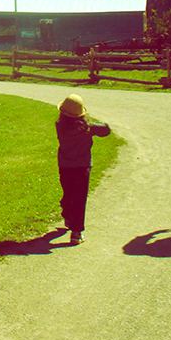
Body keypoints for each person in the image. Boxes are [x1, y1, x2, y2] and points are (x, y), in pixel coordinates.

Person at [55, 94, 111, 245]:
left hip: (65, 165)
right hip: (82, 166)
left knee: (68, 193)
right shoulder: (88, 127)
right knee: (80, 198)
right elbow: (106, 129)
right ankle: (76, 232)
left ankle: (67, 214)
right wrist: (91, 123)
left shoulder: (59, 125)